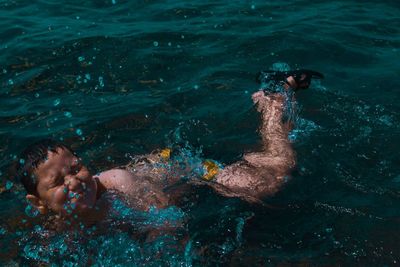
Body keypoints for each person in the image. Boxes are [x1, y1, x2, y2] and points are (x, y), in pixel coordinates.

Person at [16, 69, 323, 221]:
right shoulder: (55, 226)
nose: (74, 181)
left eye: (76, 167)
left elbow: (166, 222)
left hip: (187, 167)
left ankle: (273, 100)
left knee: (274, 177)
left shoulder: (115, 184)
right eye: (57, 181)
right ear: (38, 204)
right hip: (151, 166)